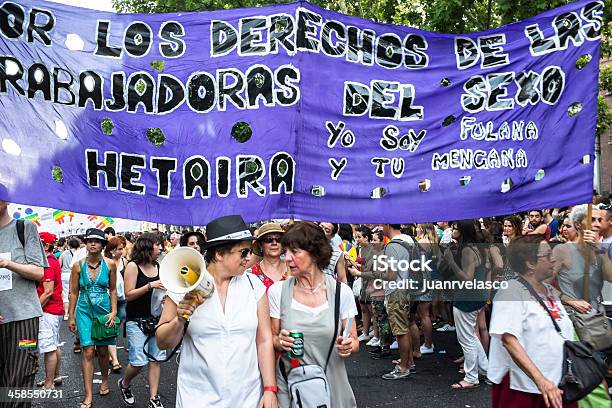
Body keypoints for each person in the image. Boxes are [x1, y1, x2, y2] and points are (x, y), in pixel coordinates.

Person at [156, 215, 277, 408]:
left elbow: (263, 340)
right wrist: (180, 320)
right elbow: (162, 342)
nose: (248, 258)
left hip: (247, 396)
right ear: (220, 254)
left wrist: (270, 389)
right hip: (197, 397)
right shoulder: (185, 284)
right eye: (244, 252)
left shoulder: (255, 286)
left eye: (250, 251)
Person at [488, 235, 590, 408]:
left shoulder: (548, 289)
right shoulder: (510, 292)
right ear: (530, 263)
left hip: (559, 383)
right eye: (548, 255)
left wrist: (571, 301)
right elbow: (509, 340)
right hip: (524, 389)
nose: (553, 259)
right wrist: (541, 381)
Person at [270, 221, 358, 406]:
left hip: (332, 386)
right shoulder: (277, 292)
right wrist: (279, 341)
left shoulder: (342, 293)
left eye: (295, 251)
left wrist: (349, 346)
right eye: (286, 252)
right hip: (292, 389)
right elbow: (271, 338)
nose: (287, 258)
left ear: (315, 252)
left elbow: (354, 340)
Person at [0, 199, 46, 408]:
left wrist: (8, 263)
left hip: (24, 321)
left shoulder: (25, 228)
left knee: (21, 376)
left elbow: (38, 272)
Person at [68, 228, 117, 408]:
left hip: (104, 311)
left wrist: (113, 312)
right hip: (84, 311)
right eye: (89, 241)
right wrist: (70, 315)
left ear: (103, 245)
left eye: (96, 241)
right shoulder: (77, 266)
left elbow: (113, 290)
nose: (92, 244)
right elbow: (73, 292)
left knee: (103, 351)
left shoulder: (110, 264)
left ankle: (104, 379)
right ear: (86, 244)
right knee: (88, 350)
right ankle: (88, 395)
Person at [118, 232, 166, 408]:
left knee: (156, 359)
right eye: (157, 244)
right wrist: (150, 285)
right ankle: (124, 384)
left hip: (157, 319)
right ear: (147, 246)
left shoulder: (160, 266)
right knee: (138, 361)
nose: (160, 248)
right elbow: (128, 295)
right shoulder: (133, 266)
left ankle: (154, 398)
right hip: (136, 320)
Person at [442, 220, 489, 389]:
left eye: (455, 228)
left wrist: (451, 261)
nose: (452, 230)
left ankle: (471, 378)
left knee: (466, 339)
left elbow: (467, 277)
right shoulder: (475, 247)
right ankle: (485, 369)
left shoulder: (468, 250)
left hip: (467, 297)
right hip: (476, 296)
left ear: (461, 231)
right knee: (471, 336)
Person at [378, 223, 415, 378]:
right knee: (405, 327)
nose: (381, 228)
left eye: (381, 225)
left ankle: (403, 368)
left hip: (395, 290)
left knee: (400, 331)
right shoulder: (409, 239)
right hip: (407, 288)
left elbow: (391, 274)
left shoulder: (392, 246)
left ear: (388, 225)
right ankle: (409, 362)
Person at [36, 232, 64, 389]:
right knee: (54, 344)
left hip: (48, 310)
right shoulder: (51, 260)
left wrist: (34, 309)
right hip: (54, 309)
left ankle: (48, 383)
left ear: (46, 246)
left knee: (49, 347)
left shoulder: (47, 262)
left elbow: (48, 292)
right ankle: (55, 376)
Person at [104, 236, 127, 373]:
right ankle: (115, 359)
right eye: (119, 249)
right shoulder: (106, 262)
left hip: (123, 298)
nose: (122, 251)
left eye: (123, 248)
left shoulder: (125, 261)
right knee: (111, 327)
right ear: (112, 250)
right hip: (108, 298)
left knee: (120, 321)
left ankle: (106, 348)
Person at [251, 222, 289, 290]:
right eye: (269, 240)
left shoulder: (293, 268)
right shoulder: (252, 273)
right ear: (260, 245)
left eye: (278, 239)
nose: (274, 243)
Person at [60, 238, 80, 320]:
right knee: (75, 293)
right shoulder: (79, 253)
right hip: (75, 274)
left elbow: (59, 264)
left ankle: (66, 313)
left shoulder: (63, 253)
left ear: (69, 245)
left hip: (64, 274)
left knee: (65, 294)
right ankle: (74, 312)